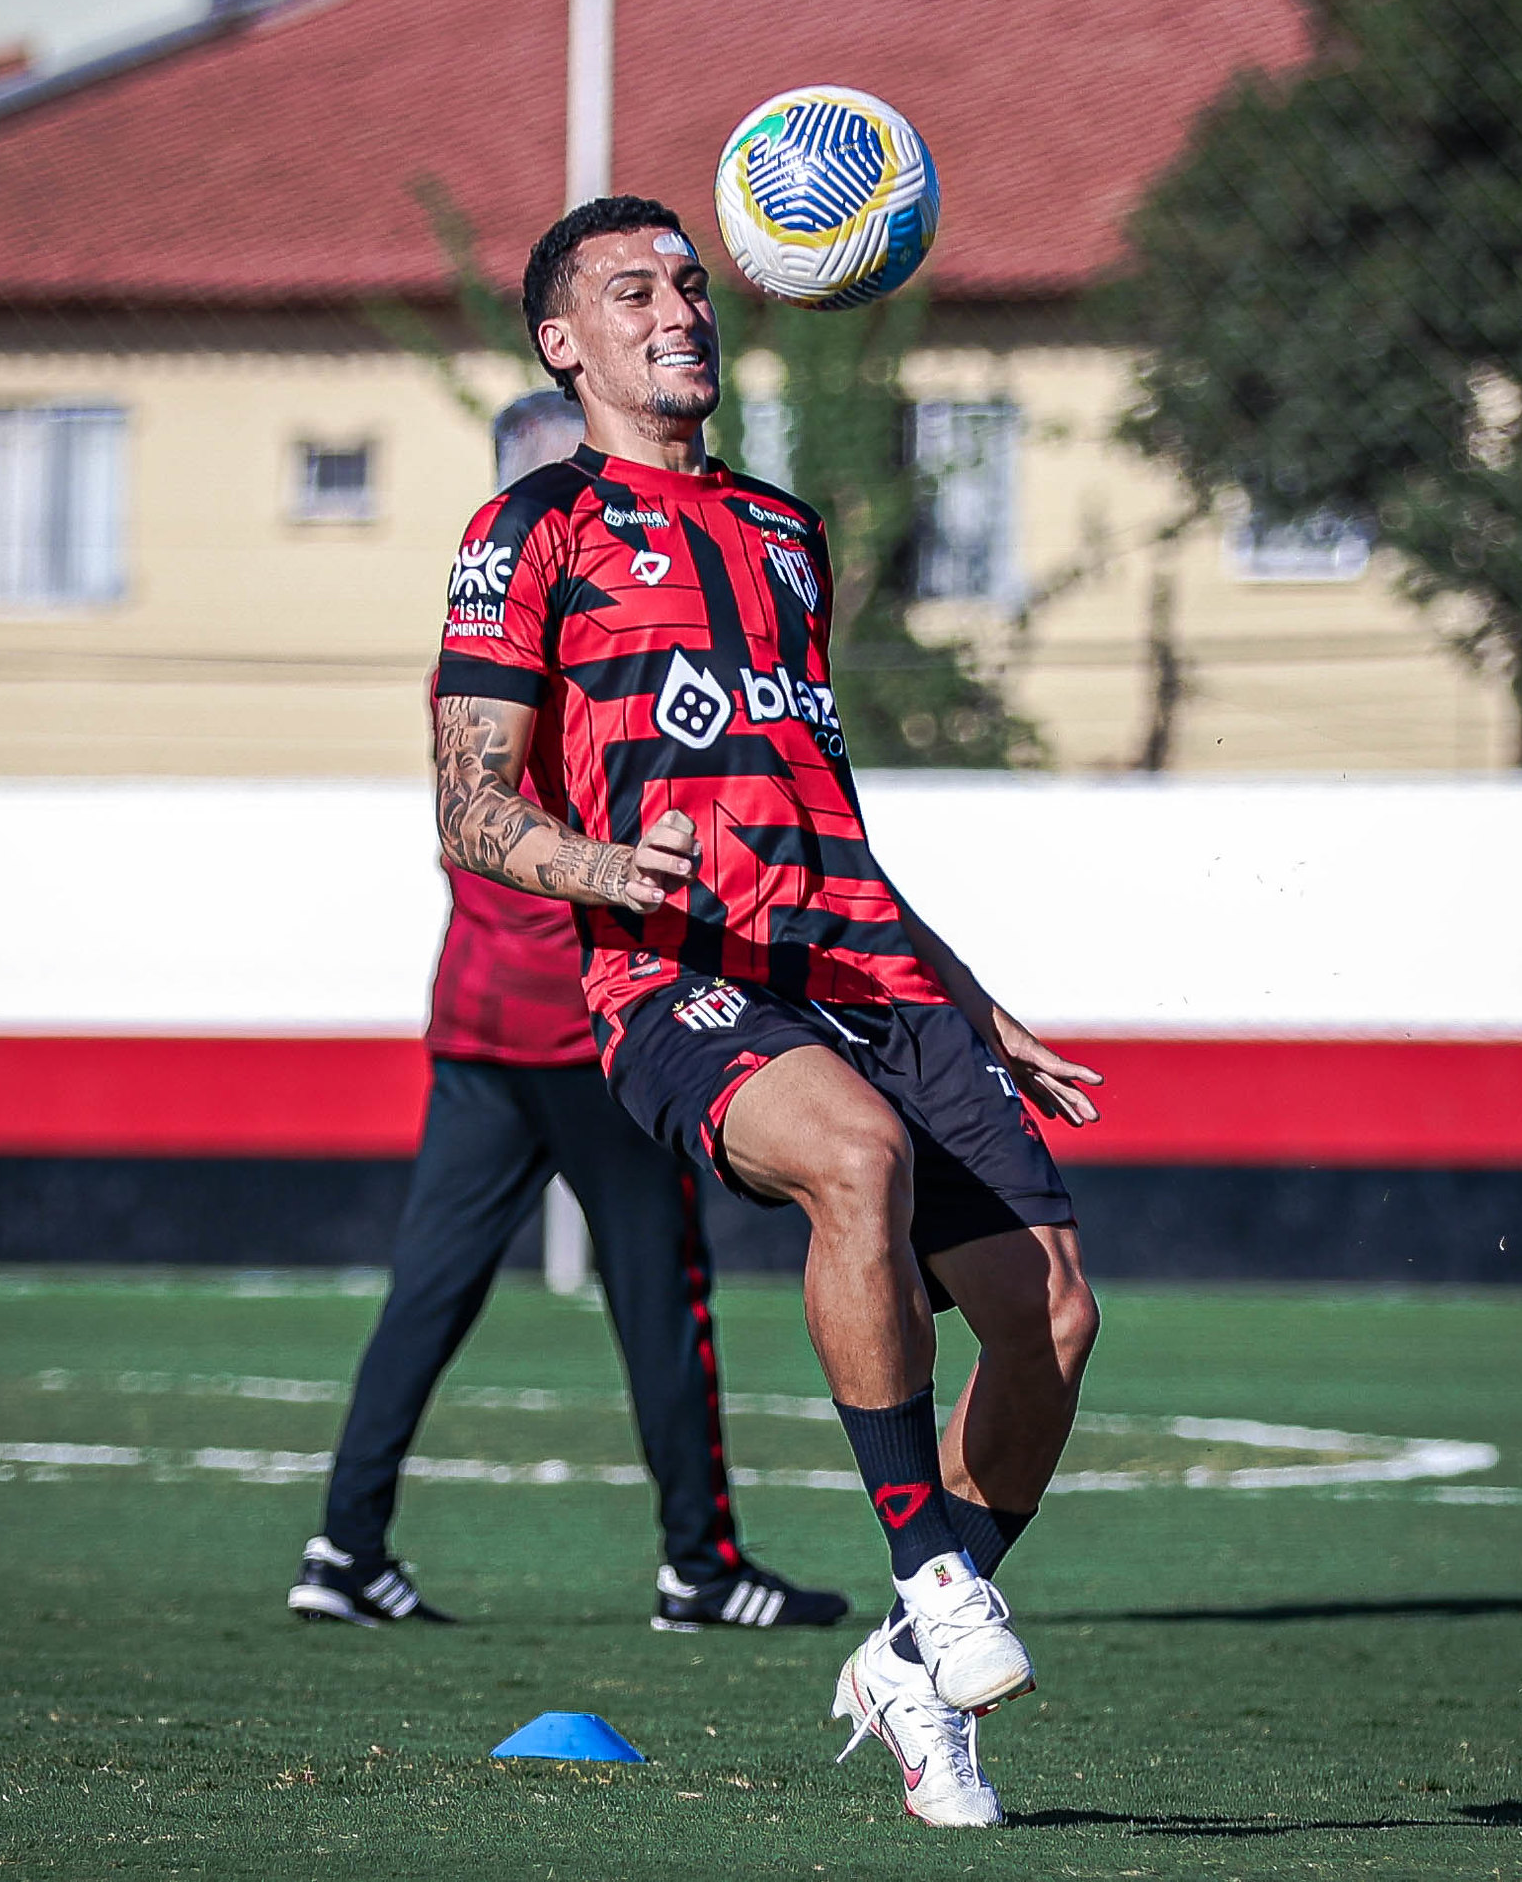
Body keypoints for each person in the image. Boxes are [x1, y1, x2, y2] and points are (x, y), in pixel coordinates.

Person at [426, 195, 1103, 1828]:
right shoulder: (526, 533)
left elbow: (823, 805)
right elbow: (466, 802)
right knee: (851, 1159)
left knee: (1054, 1318)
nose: (679, 308)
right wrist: (605, 860)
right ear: (559, 340)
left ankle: (904, 1668)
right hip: (675, 973)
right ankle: (933, 1572)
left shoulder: (784, 533)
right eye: (632, 288)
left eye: (688, 284)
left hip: (866, 963)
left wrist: (970, 994)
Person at [287, 391, 848, 1639]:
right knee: (662, 1292)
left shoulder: (475, 640)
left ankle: (345, 1543)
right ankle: (698, 1569)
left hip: (480, 1019)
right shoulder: (573, 620)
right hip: (589, 1019)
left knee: (428, 1291)